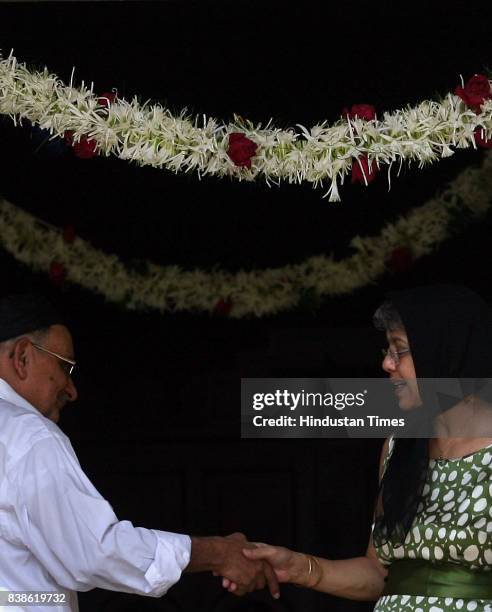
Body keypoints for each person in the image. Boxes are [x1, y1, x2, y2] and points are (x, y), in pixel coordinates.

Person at [0, 294, 279, 612]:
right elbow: (96, 551)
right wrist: (220, 553)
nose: (71, 389)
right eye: (65, 367)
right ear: (22, 357)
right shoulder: (29, 435)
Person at [236, 285, 492, 610]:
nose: (387, 363)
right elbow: (378, 573)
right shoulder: (399, 447)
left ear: (446, 353)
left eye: (399, 350)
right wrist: (300, 567)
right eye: (387, 350)